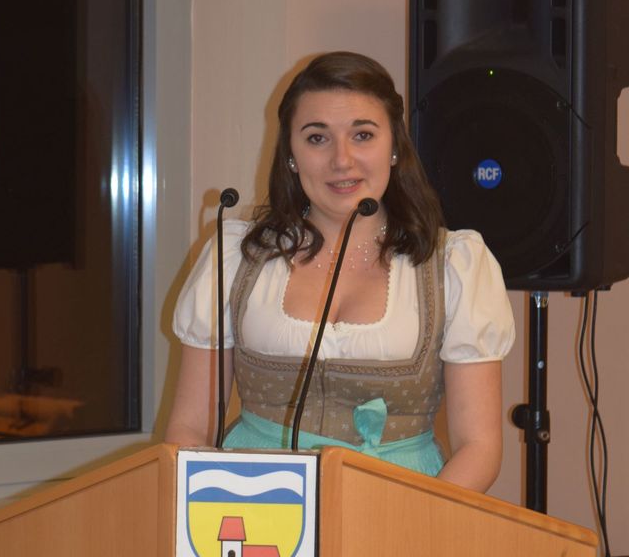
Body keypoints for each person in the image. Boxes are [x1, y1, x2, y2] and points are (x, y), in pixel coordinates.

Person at [165, 51, 515, 493]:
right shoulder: (235, 257)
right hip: (256, 505)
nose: (342, 160)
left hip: (406, 505)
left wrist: (416, 521)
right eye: (317, 138)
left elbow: (478, 447)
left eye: (362, 135)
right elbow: (190, 429)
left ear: (394, 148)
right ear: (291, 155)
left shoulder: (453, 265)